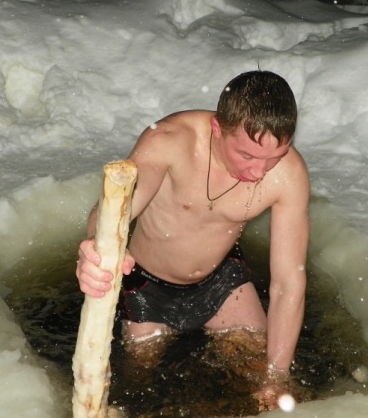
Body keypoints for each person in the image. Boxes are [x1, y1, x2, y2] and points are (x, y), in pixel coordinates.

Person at [76, 70, 309, 409]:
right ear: (217, 128)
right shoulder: (170, 141)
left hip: (222, 281)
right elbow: (112, 213)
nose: (259, 172)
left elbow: (289, 282)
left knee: (263, 377)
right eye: (247, 156)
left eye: (273, 158)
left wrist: (277, 376)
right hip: (146, 285)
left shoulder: (289, 174)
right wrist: (95, 248)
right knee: (138, 386)